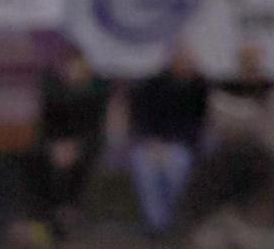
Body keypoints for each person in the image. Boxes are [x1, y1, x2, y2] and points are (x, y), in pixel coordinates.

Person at [127, 44, 209, 237]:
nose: (184, 65)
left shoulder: (198, 88)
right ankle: (156, 226)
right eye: (181, 60)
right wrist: (153, 142)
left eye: (188, 61)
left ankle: (174, 222)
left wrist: (173, 144)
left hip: (181, 145)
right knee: (144, 166)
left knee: (176, 167)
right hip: (152, 144)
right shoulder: (153, 85)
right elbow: (142, 119)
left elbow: (197, 125)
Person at [35, 49, 111, 238]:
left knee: (80, 163)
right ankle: (54, 213)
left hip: (86, 144)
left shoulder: (96, 93)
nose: (74, 70)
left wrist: (76, 146)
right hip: (57, 144)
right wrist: (58, 145)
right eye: (71, 66)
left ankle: (71, 211)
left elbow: (95, 127)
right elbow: (48, 123)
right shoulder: (55, 90)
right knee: (47, 162)